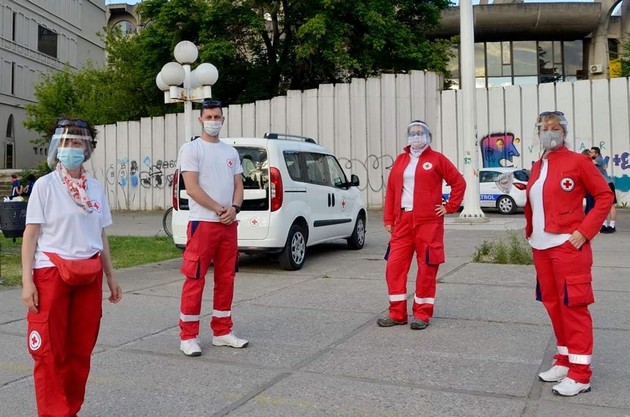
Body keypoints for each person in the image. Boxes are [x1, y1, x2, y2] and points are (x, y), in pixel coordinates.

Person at [21, 118, 123, 416]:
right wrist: (27, 281)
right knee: (49, 351)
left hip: (88, 275)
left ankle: (70, 409)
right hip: (51, 272)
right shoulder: (46, 186)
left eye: (77, 142)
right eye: (65, 142)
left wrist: (111, 276)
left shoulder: (94, 188)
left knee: (80, 351)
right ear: (56, 146)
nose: (71, 148)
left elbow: (100, 234)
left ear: (87, 148)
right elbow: (31, 234)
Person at [526, 111, 613, 397]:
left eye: (554, 127)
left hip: (568, 246)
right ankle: (564, 360)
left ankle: (580, 374)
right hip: (541, 247)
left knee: (573, 307)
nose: (548, 132)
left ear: (564, 132)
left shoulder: (579, 162)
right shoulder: (538, 165)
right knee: (552, 304)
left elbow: (604, 196)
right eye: (543, 128)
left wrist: (584, 231)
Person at [379, 120, 466, 330]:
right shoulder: (401, 160)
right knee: (394, 267)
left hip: (429, 223)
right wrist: (389, 218)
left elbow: (458, 182)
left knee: (427, 268)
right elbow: (391, 191)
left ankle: (422, 314)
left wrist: (449, 206)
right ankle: (397, 313)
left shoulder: (437, 159)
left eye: (420, 133)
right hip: (402, 222)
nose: (416, 136)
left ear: (428, 136)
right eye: (413, 133)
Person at [177, 99, 248, 356]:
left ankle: (222, 331)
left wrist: (234, 208)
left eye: (217, 117)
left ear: (223, 119)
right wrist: (219, 209)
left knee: (226, 278)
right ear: (201, 119)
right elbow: (192, 187)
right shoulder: (191, 149)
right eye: (209, 117)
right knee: (195, 278)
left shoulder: (230, 152)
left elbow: (238, 185)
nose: (213, 121)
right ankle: (188, 335)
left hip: (229, 224)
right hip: (203, 224)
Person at [589, 146, 617, 233]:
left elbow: (590, 162)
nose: (590, 154)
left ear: (596, 154)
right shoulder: (597, 160)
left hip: (608, 184)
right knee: (603, 204)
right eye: (589, 152)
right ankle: (604, 225)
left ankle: (612, 226)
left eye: (591, 152)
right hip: (602, 185)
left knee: (611, 205)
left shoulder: (599, 159)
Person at [580, 150, 595, 214]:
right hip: (589, 186)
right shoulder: (590, 163)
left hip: (588, 186)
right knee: (590, 205)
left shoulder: (586, 163)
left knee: (589, 205)